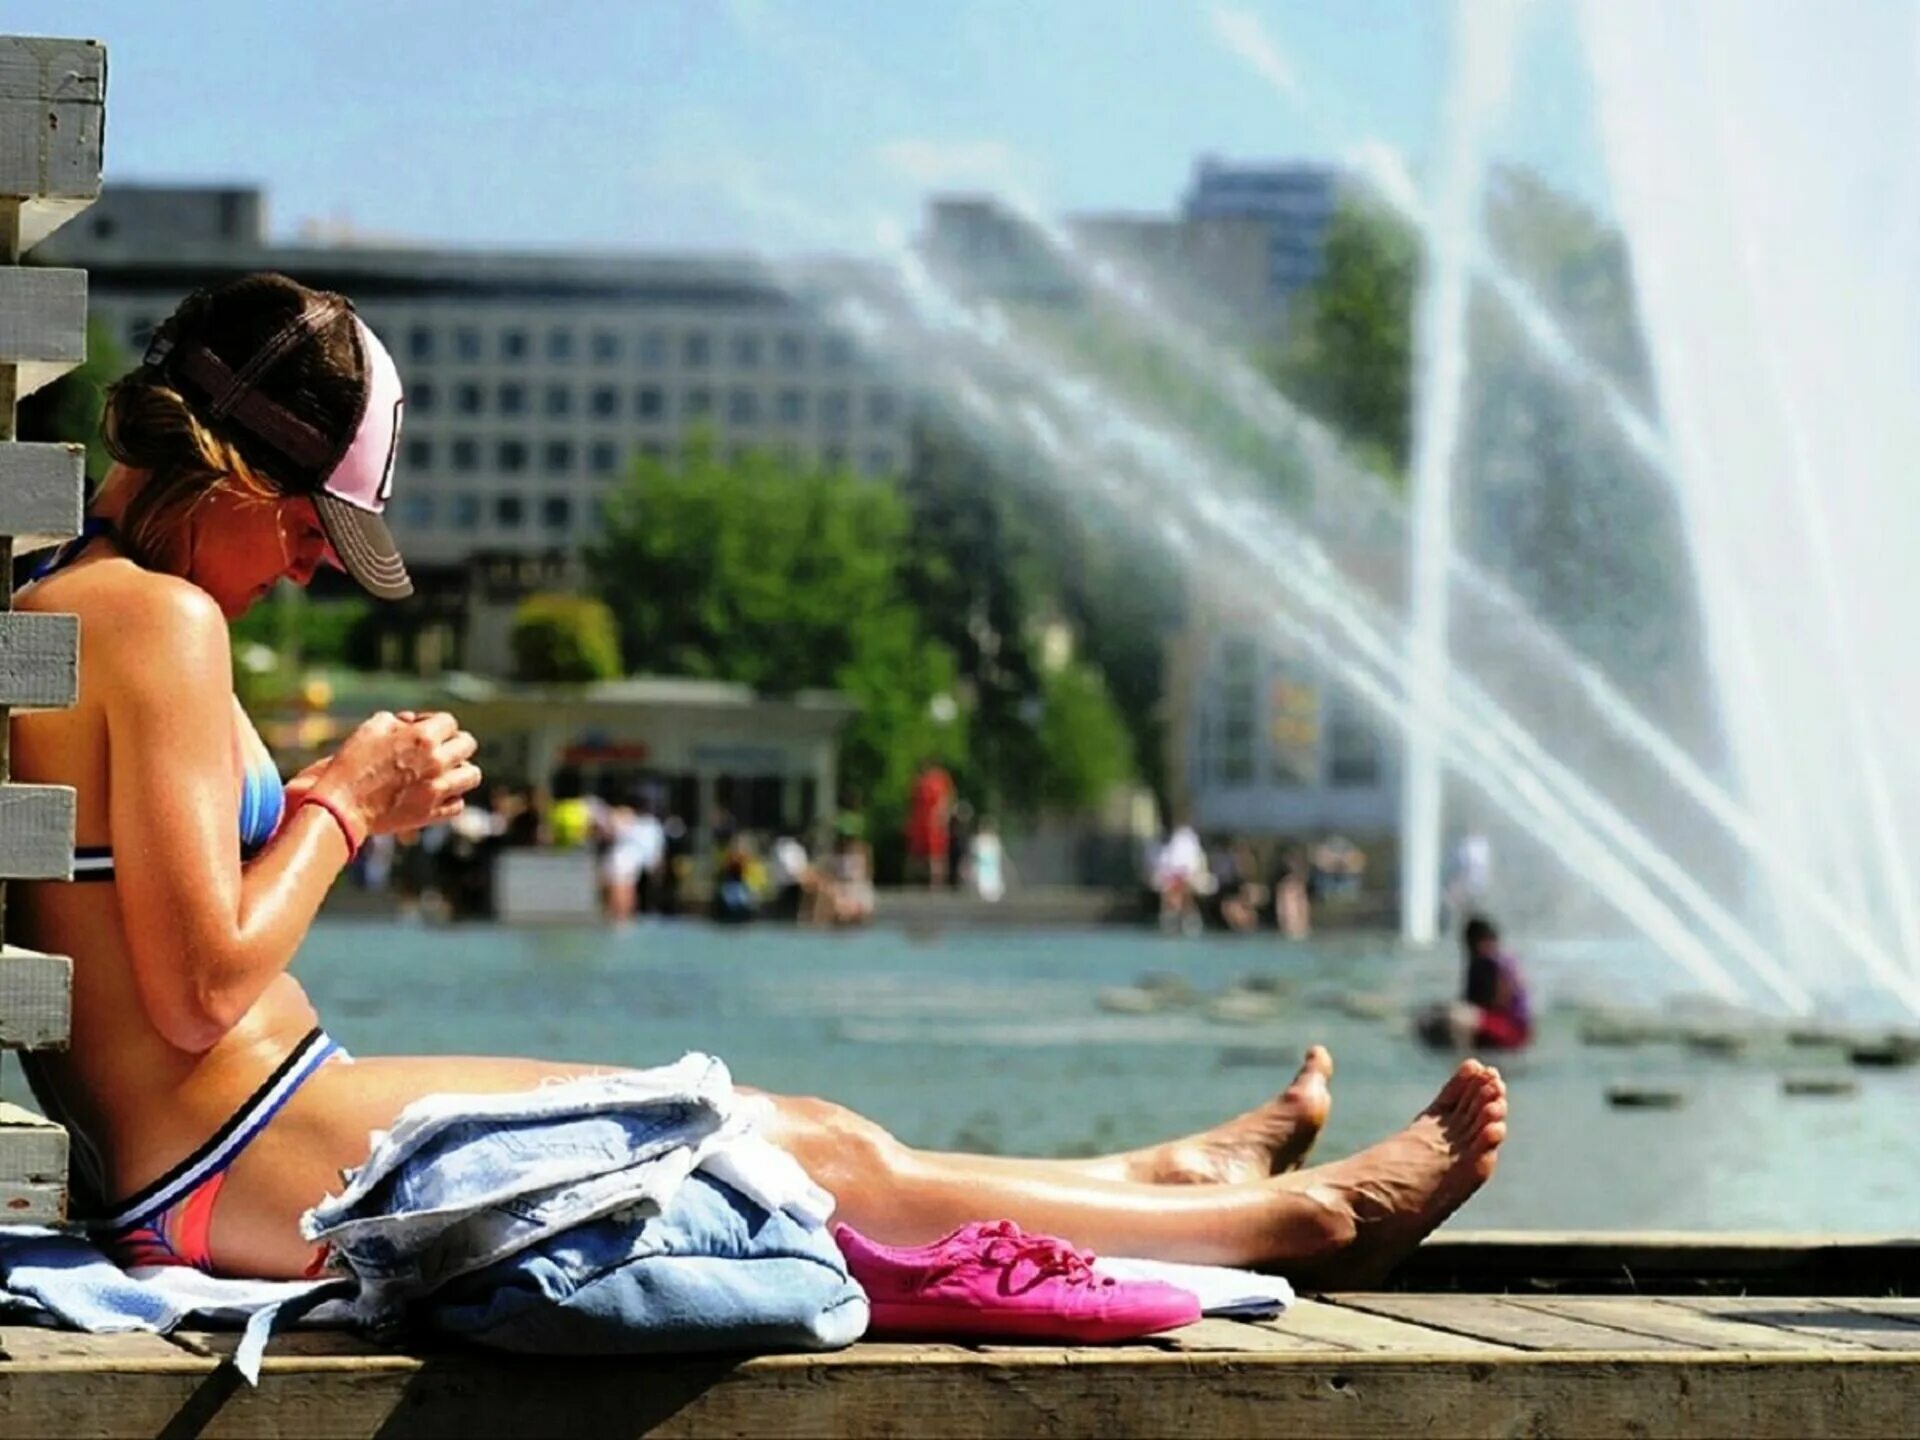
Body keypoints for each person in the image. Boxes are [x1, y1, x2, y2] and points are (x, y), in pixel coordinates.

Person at [8, 273, 1506, 1286]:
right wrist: (347, 797)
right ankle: (1290, 1221)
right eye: (313, 537)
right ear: (242, 478)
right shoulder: (160, 619)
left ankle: (1167, 1175)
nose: (312, 573)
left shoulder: (92, 592)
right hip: (240, 1150)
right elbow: (202, 987)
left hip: (241, 1140)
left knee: (816, 1131)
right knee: (803, 1155)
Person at [1418, 916, 1533, 1053]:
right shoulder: (1502, 960)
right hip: (1512, 1029)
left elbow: (1497, 1000)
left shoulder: (1493, 964)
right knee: (1442, 1014)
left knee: (1453, 1018)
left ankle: (1465, 1060)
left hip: (1508, 1030)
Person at [905, 760, 955, 888]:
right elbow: (912, 803)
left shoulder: (939, 779)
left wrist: (943, 816)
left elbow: (946, 799)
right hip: (919, 823)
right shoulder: (918, 781)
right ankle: (915, 881)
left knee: (936, 854)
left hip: (934, 823)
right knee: (916, 854)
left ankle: (936, 882)